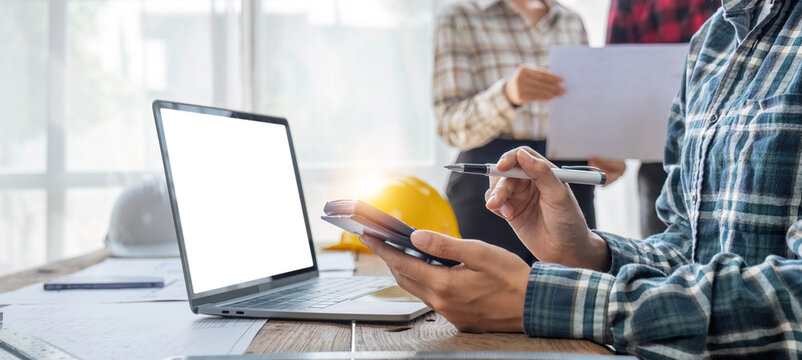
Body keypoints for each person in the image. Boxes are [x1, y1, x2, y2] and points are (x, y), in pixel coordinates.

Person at [363, 0, 802, 357]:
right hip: (497, 174)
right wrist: (592, 254)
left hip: (564, 170)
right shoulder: (710, 43)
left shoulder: (571, 21)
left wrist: (548, 300)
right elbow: (693, 246)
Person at [433, 0, 626, 265]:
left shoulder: (571, 21)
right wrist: (507, 96)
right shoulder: (458, 17)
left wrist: (600, 148)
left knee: (578, 285)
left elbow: (583, 106)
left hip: (566, 179)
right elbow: (449, 125)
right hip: (489, 182)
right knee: (491, 286)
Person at [607, 0, 721, 238]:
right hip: (660, 158)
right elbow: (614, 69)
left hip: (734, 150)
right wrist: (611, 145)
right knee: (660, 248)